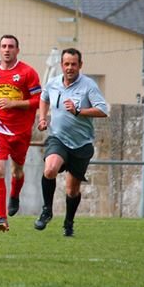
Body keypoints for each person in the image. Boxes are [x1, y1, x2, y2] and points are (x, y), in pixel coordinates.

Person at [34, 48, 109, 237]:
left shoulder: (88, 86)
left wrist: (79, 111)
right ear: (61, 65)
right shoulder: (52, 84)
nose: (69, 68)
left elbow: (102, 110)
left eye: (73, 64)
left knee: (72, 190)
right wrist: (42, 118)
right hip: (57, 138)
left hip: (81, 144)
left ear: (80, 65)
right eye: (66, 64)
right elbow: (43, 99)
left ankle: (68, 223)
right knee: (50, 169)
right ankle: (47, 210)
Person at [0, 34, 42, 232]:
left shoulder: (27, 72)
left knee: (17, 170)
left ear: (17, 50)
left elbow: (39, 100)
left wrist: (15, 103)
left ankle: (14, 195)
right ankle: (1, 218)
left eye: (11, 46)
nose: (7, 49)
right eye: (4, 46)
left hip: (21, 130)